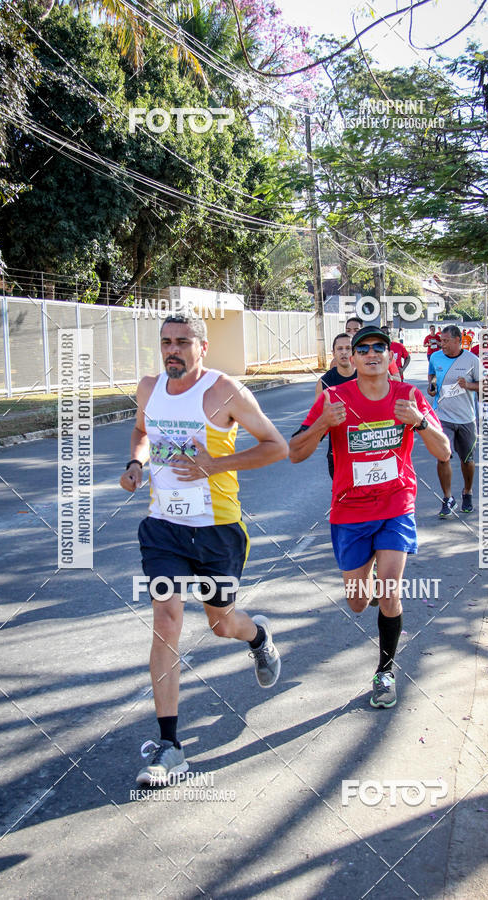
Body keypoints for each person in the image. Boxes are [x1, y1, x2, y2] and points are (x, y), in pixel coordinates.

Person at [120, 314, 288, 785]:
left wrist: (218, 464)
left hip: (217, 529)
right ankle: (170, 746)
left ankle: (257, 637)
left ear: (202, 347)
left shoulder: (225, 391)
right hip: (163, 528)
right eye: (166, 342)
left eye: (182, 343)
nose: (172, 350)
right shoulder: (149, 388)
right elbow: (141, 431)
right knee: (166, 619)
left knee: (221, 624)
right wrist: (136, 463)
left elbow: (276, 447)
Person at [289, 325, 449, 709]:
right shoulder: (333, 398)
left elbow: (444, 452)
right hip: (350, 511)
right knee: (359, 602)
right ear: (351, 357)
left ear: (391, 356)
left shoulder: (408, 396)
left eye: (381, 347)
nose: (372, 353)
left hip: (396, 504)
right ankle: (371, 581)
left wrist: (420, 422)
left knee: (390, 591)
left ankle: (385, 671)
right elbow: (294, 452)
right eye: (364, 348)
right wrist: (324, 424)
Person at [427, 324, 483, 517]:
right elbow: (432, 376)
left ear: (458, 340)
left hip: (466, 418)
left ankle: (467, 492)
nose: (441, 344)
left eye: (446, 341)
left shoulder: (472, 360)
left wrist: (467, 385)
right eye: (441, 341)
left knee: (467, 460)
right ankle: (447, 497)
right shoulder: (435, 357)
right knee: (443, 456)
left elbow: (485, 385)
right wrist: (432, 386)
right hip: (442, 416)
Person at [315, 333, 357, 477]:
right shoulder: (324, 382)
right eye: (340, 349)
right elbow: (317, 421)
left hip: (368, 448)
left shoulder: (367, 376)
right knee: (343, 497)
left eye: (348, 348)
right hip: (338, 452)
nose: (344, 352)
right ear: (333, 353)